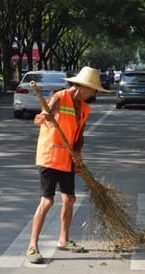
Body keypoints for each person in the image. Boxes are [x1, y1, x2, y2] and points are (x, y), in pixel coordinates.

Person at [26, 66, 110, 264]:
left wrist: (78, 154)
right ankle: (32, 246)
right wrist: (46, 116)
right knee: (47, 202)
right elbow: (39, 118)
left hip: (67, 158)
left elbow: (79, 136)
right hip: (50, 155)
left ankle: (63, 240)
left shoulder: (85, 108)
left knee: (69, 199)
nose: (94, 93)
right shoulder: (59, 97)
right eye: (93, 89)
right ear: (82, 86)